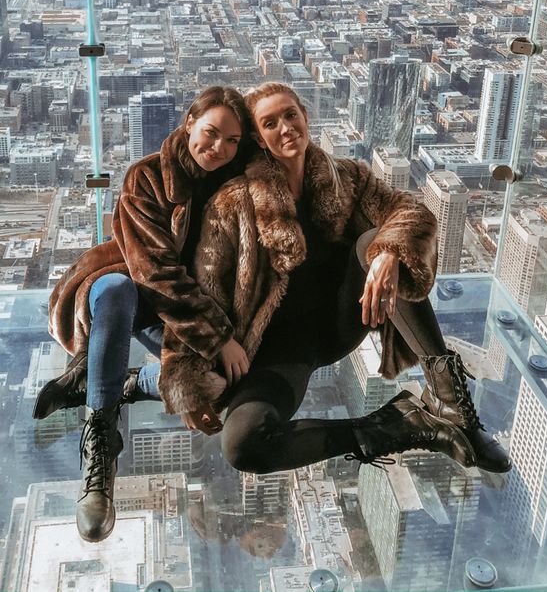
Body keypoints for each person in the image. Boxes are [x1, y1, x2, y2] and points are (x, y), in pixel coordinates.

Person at [158, 82, 511, 475]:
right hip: (278, 347)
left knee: (377, 243)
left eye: (291, 115)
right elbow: (205, 288)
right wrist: (187, 380)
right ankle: (405, 426)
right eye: (271, 123)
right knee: (242, 446)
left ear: (306, 117)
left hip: (343, 319)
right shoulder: (234, 202)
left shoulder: (347, 176)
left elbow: (409, 210)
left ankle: (450, 400)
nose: (286, 127)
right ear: (258, 138)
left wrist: (388, 252)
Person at [36, 86, 253, 542]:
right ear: (189, 121)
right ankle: (100, 444)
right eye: (211, 133)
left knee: (222, 381)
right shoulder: (148, 177)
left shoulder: (239, 184)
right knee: (115, 291)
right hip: (125, 287)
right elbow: (155, 273)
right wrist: (217, 337)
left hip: (177, 309)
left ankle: (122, 380)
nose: (219, 148)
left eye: (232, 140)